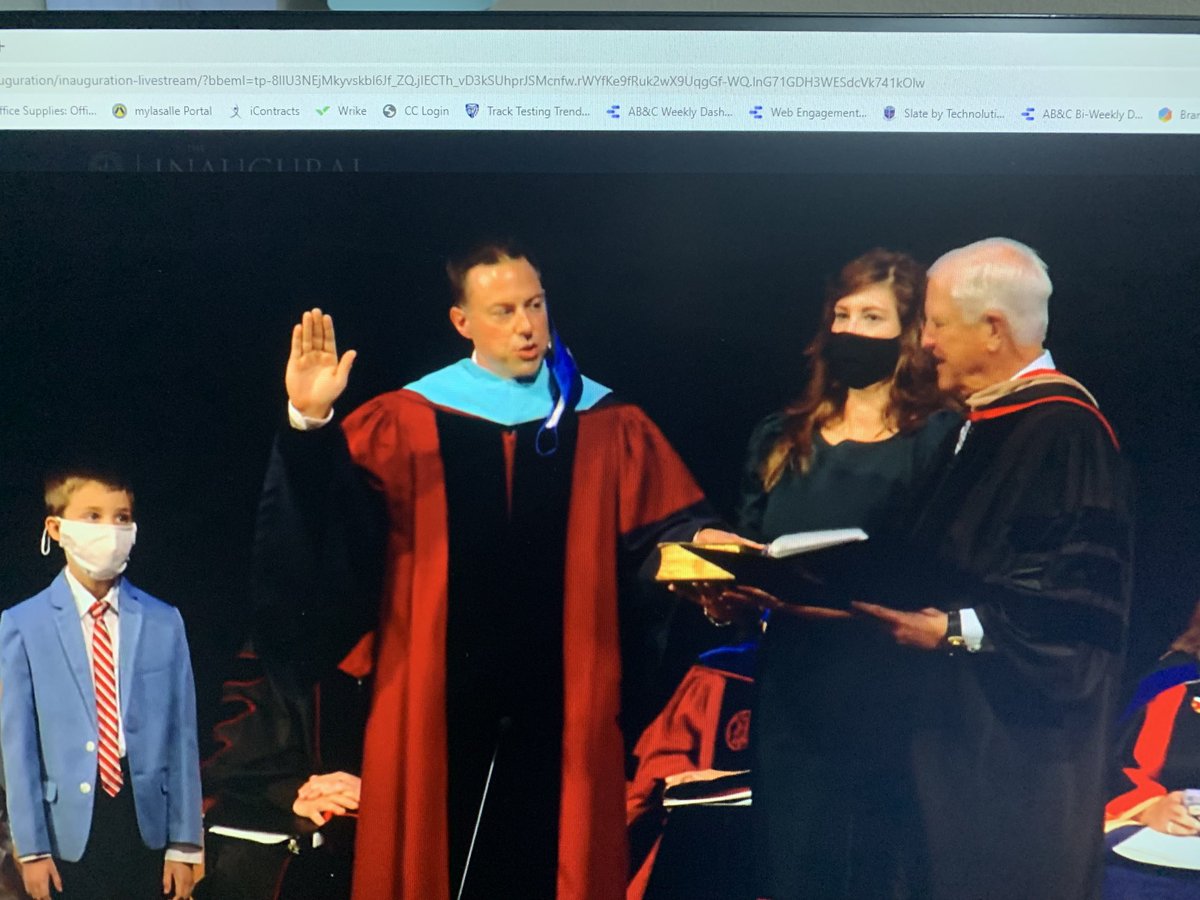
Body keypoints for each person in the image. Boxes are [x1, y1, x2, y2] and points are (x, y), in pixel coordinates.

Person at [255, 242, 730, 900]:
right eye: (503, 310)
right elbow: (326, 540)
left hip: (568, 705)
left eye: (535, 305)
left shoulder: (605, 420)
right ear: (463, 322)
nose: (528, 325)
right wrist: (310, 423)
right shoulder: (405, 420)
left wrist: (704, 549)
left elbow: (666, 529)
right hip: (431, 703)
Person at [853, 237, 1134, 899]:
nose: (925, 342)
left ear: (994, 329)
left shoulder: (1066, 433)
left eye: (936, 324)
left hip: (1015, 769)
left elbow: (1073, 624)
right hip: (946, 753)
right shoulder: (974, 426)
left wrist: (951, 630)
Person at [730, 249, 956, 899]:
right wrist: (726, 590)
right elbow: (752, 544)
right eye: (842, 314)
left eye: (872, 316)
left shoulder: (937, 439)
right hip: (793, 691)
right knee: (796, 865)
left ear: (909, 333)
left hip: (890, 691)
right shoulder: (781, 436)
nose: (852, 330)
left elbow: (941, 568)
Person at [0, 468, 203, 900]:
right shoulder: (23, 623)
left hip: (142, 817)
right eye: (92, 516)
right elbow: (17, 747)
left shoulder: (163, 621)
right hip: (65, 830)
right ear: (56, 528)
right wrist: (31, 849)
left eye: (121, 517)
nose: (109, 530)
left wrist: (185, 844)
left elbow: (182, 738)